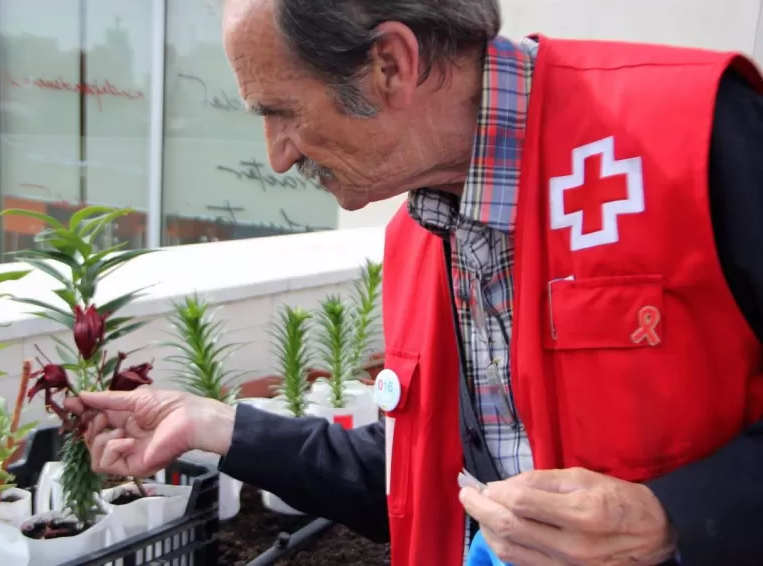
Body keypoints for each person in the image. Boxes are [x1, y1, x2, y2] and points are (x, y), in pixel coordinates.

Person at [65, 0, 763, 564]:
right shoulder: (417, 241)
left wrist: (673, 517)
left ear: (391, 64)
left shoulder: (693, 132)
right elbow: (417, 477)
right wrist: (213, 425)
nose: (275, 156)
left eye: (281, 111)